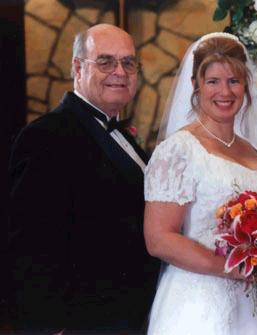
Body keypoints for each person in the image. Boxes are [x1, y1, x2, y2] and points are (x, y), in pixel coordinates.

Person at [7, 24, 159, 334]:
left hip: (131, 318)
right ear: (78, 67)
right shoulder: (46, 136)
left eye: (128, 62)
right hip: (82, 323)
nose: (120, 71)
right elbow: (29, 247)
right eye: (105, 61)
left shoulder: (126, 139)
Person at [143, 33, 257, 335]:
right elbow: (159, 238)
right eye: (213, 81)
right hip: (200, 304)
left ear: (245, 85)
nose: (225, 91)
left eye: (234, 81)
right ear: (195, 84)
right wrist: (234, 268)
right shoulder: (178, 150)